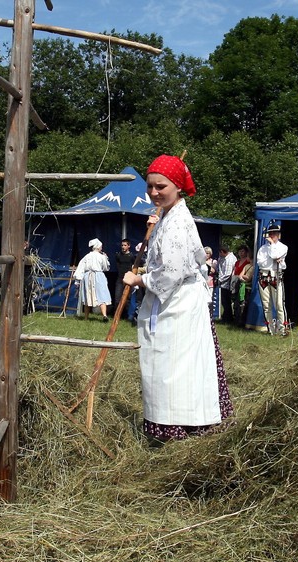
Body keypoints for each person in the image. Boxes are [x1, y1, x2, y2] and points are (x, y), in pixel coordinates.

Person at [122, 154, 233, 442]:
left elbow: (169, 275)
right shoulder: (166, 217)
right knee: (173, 366)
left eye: (161, 186)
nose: (154, 192)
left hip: (179, 304)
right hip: (177, 299)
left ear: (178, 187)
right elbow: (172, 264)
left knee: (175, 368)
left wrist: (139, 279)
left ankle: (179, 430)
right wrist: (148, 269)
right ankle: (177, 426)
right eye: (150, 187)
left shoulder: (175, 223)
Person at [257, 223, 289, 336]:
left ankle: (282, 329)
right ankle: (270, 329)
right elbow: (260, 262)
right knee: (267, 305)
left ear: (278, 235)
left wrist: (272, 246)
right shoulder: (262, 248)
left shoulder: (283, 247)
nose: (272, 235)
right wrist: (274, 258)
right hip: (264, 276)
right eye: (271, 234)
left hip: (276, 276)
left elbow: (275, 256)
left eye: (275, 234)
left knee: (279, 304)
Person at [74, 238, 112, 321]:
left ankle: (86, 317)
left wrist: (78, 280)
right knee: (102, 295)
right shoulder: (102, 256)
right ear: (98, 247)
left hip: (88, 277)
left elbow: (81, 267)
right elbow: (106, 268)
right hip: (98, 276)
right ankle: (104, 315)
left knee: (88, 296)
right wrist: (106, 258)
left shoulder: (87, 256)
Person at [113, 239, 136, 319]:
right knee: (117, 298)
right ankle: (116, 315)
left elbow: (134, 266)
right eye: (122, 245)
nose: (123, 247)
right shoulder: (118, 255)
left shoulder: (131, 256)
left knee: (127, 299)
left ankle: (125, 316)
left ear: (128, 246)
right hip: (120, 278)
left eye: (125, 245)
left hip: (128, 279)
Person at [232, 245, 253, 327]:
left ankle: (242, 321)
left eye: (243, 251)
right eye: (239, 251)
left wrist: (242, 277)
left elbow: (247, 277)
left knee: (243, 304)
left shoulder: (248, 264)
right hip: (238, 284)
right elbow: (239, 275)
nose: (241, 253)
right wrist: (242, 277)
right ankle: (237, 319)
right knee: (237, 302)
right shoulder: (238, 262)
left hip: (246, 286)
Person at [217, 245, 235, 324]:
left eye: (220, 253)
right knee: (224, 302)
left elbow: (228, 274)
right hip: (223, 283)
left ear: (223, 252)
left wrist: (220, 280)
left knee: (226, 301)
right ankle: (226, 317)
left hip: (227, 283)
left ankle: (228, 318)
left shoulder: (230, 259)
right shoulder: (222, 258)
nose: (219, 255)